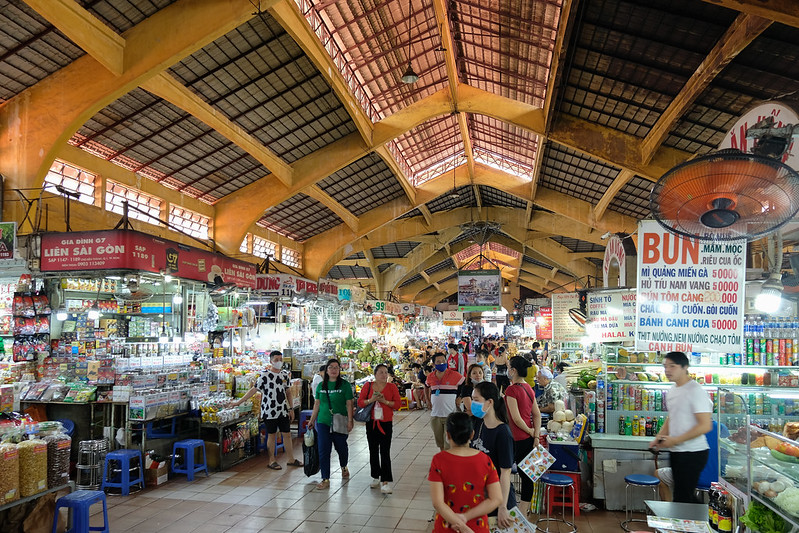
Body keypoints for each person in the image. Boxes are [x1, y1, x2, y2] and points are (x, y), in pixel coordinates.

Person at [649, 351, 712, 503]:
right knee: (682, 495)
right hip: (677, 451)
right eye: (665, 366)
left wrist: (675, 440)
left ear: (685, 367)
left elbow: (705, 425)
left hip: (694, 452)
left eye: (672, 366)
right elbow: (672, 417)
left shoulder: (695, 391)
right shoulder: (673, 390)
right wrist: (659, 438)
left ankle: (699, 521)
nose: (668, 370)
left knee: (683, 496)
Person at [428, 412, 503, 533]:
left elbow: (438, 503)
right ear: (472, 434)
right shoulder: (485, 460)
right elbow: (496, 499)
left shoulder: (439, 460)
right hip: (477, 526)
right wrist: (465, 518)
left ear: (448, 435)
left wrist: (461, 526)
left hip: (447, 525)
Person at [235, 350, 302, 469]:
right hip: (269, 410)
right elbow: (254, 390)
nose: (279, 362)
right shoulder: (264, 375)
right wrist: (238, 402)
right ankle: (272, 460)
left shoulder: (285, 375)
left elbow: (288, 392)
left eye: (280, 360)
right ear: (271, 361)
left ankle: (291, 459)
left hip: (282, 410)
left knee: (286, 434)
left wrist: (291, 408)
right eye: (276, 360)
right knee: (271, 434)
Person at [471, 382, 516, 529]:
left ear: (490, 402)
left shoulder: (502, 432)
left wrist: (502, 507)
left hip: (498, 498)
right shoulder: (479, 424)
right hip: (480, 496)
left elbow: (505, 472)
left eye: (476, 400)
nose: (472, 403)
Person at [308, 358, 354, 490]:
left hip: (340, 420)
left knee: (341, 447)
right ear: (326, 370)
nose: (333, 370)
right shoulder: (321, 386)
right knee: (324, 449)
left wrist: (350, 420)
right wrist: (312, 420)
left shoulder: (344, 385)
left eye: (336, 367)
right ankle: (325, 478)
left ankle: (344, 466)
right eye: (331, 367)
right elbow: (317, 403)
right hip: (323, 421)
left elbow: (349, 403)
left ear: (339, 370)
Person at [504, 355, 542, 515]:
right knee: (527, 476)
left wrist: (530, 432)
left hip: (515, 439)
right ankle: (523, 511)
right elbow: (537, 415)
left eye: (508, 367)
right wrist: (535, 435)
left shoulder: (511, 390)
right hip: (527, 440)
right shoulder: (528, 388)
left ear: (513, 370)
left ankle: (507, 508)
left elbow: (516, 418)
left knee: (504, 472)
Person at [357, 364, 401, 494]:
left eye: (386, 372)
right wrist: (372, 399)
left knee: (385, 451)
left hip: (386, 423)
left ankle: (385, 481)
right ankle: (375, 476)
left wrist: (385, 401)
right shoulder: (368, 386)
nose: (384, 375)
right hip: (372, 423)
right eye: (381, 372)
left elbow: (397, 404)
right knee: (373, 450)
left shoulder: (392, 387)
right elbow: (360, 402)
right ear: (375, 374)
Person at [427, 352, 465, 451]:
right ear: (434, 364)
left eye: (444, 361)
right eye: (438, 362)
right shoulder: (430, 376)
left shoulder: (454, 375)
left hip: (450, 415)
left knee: (449, 443)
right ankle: (443, 462)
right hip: (435, 415)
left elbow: (464, 384)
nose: (442, 363)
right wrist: (427, 399)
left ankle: (448, 463)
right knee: (440, 443)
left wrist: (460, 397)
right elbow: (426, 387)